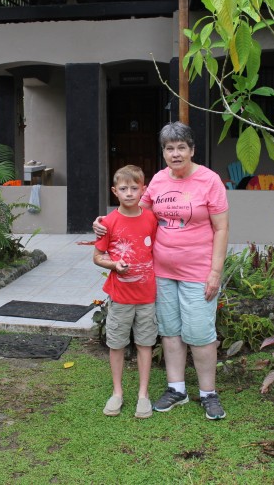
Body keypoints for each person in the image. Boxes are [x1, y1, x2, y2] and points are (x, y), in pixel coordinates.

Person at [95, 122, 230, 420]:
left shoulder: (209, 181)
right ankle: (177, 388)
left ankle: (208, 393)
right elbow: (133, 212)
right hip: (162, 271)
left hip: (198, 270)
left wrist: (215, 272)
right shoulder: (157, 180)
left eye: (181, 147)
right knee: (170, 331)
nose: (176, 153)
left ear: (192, 150)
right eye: (169, 148)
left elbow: (221, 228)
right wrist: (104, 222)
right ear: (164, 152)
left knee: (200, 332)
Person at [93, 165, 159, 419]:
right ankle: (117, 392)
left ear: (143, 189)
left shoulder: (151, 218)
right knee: (117, 344)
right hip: (120, 297)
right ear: (114, 191)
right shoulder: (108, 223)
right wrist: (113, 264)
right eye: (123, 188)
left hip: (147, 296)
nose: (129, 193)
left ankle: (143, 395)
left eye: (134, 188)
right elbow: (97, 256)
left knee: (145, 344)